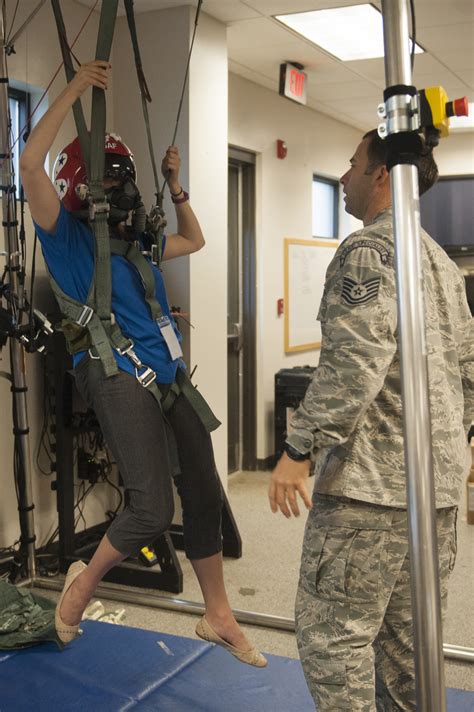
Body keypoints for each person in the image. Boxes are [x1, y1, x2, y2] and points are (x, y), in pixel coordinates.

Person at [20, 59, 267, 668]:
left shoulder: (136, 246)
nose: (126, 194)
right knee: (152, 507)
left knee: (204, 491)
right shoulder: (67, 239)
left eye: (129, 182)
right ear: (88, 191)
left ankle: (218, 614)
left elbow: (196, 239)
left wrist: (174, 183)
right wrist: (76, 88)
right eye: (115, 183)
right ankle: (82, 585)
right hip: (115, 373)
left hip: (170, 375)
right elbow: (28, 166)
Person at [269, 129, 473, 709]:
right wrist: (452, 448)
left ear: (381, 173)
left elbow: (352, 366)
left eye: (353, 163)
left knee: (334, 644)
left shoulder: (369, 251)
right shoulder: (438, 261)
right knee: (408, 655)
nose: (344, 176)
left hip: (369, 495)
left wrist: (299, 448)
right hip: (433, 497)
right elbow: (471, 372)